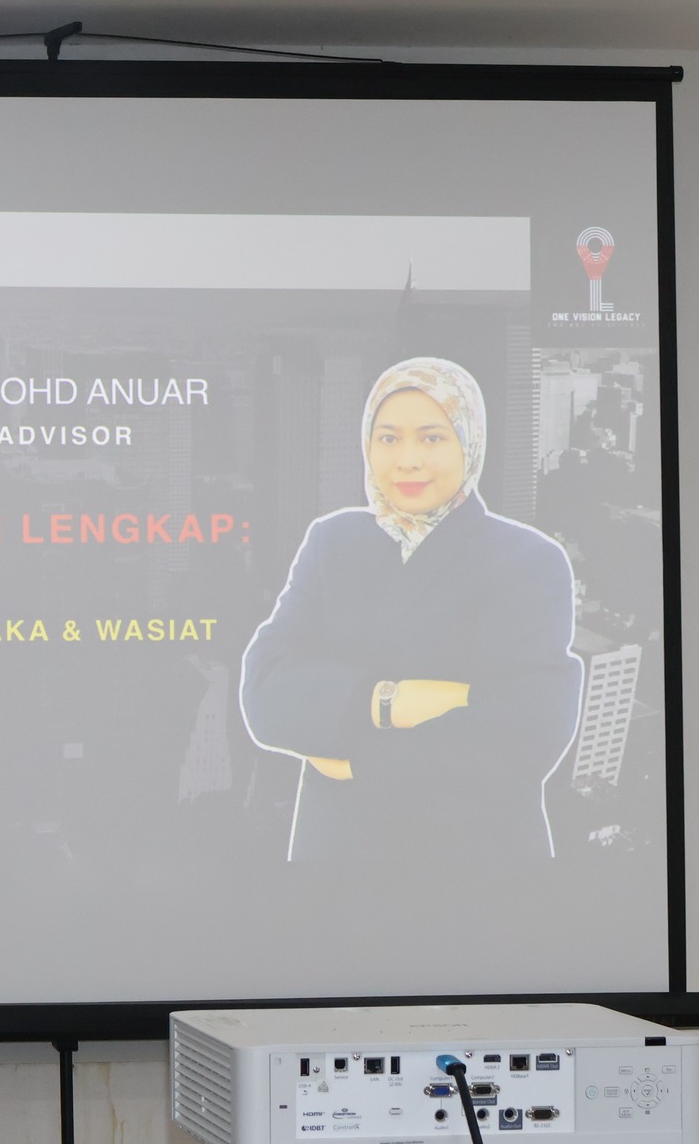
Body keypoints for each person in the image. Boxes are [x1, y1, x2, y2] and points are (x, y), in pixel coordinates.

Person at [239, 356, 584, 863]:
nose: (407, 460)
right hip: (338, 856)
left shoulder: (527, 560)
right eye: (388, 438)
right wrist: (389, 701)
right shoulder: (333, 541)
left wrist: (354, 760)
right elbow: (265, 692)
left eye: (432, 438)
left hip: (474, 860)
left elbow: (526, 733)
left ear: (468, 443)